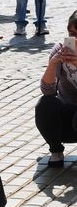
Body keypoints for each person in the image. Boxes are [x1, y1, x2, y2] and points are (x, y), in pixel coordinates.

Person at [35, 10, 77, 167]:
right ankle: (56, 151)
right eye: (71, 33)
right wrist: (53, 63)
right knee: (45, 104)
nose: (74, 39)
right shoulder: (60, 49)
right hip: (67, 116)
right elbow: (48, 91)